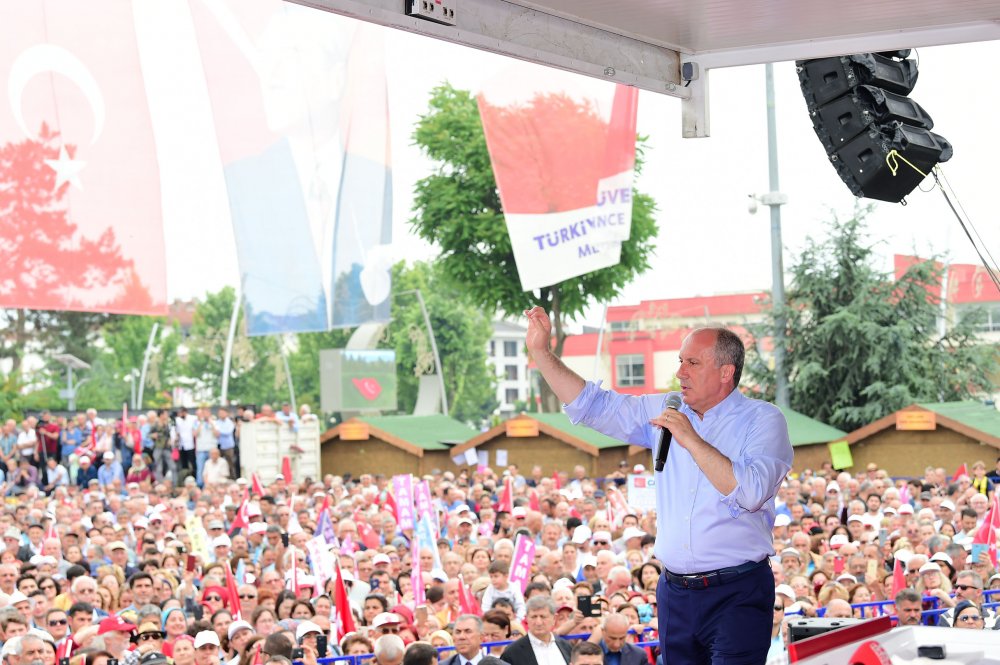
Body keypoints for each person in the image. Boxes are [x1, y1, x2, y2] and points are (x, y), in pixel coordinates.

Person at [525, 308, 793, 664]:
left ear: (726, 372)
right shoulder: (666, 409)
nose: (680, 372)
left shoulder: (763, 420)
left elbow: (752, 492)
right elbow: (593, 406)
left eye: (693, 363)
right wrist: (542, 353)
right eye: (681, 361)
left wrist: (690, 437)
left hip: (737, 592)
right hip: (675, 594)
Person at [500, 596, 571, 665]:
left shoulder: (566, 646)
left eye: (543, 617)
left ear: (554, 618)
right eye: (534, 617)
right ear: (526, 618)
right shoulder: (512, 653)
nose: (538, 622)